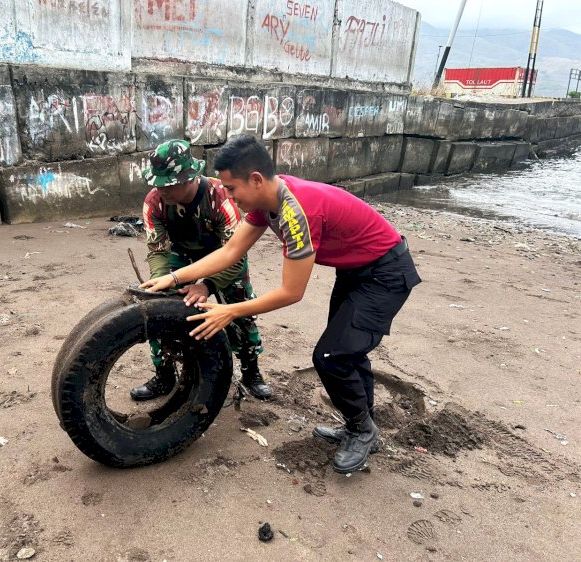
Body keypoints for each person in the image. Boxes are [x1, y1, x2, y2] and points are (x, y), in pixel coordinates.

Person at [141, 134, 421, 474]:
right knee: (348, 352)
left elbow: (292, 292)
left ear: (255, 180)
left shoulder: (294, 212)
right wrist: (173, 278)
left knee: (332, 356)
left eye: (231, 189)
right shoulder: (264, 204)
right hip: (356, 271)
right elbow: (230, 252)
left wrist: (230, 310)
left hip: (385, 274)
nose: (228, 196)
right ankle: (361, 425)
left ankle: (362, 430)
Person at [130, 139, 272, 401]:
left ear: (190, 177)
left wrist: (206, 285)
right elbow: (159, 251)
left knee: (240, 312)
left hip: (226, 258)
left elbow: (236, 253)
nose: (163, 190)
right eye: (158, 183)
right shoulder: (154, 203)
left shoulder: (220, 198)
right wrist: (162, 281)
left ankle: (251, 372)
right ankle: (164, 374)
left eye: (169, 184)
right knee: (158, 307)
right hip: (181, 258)